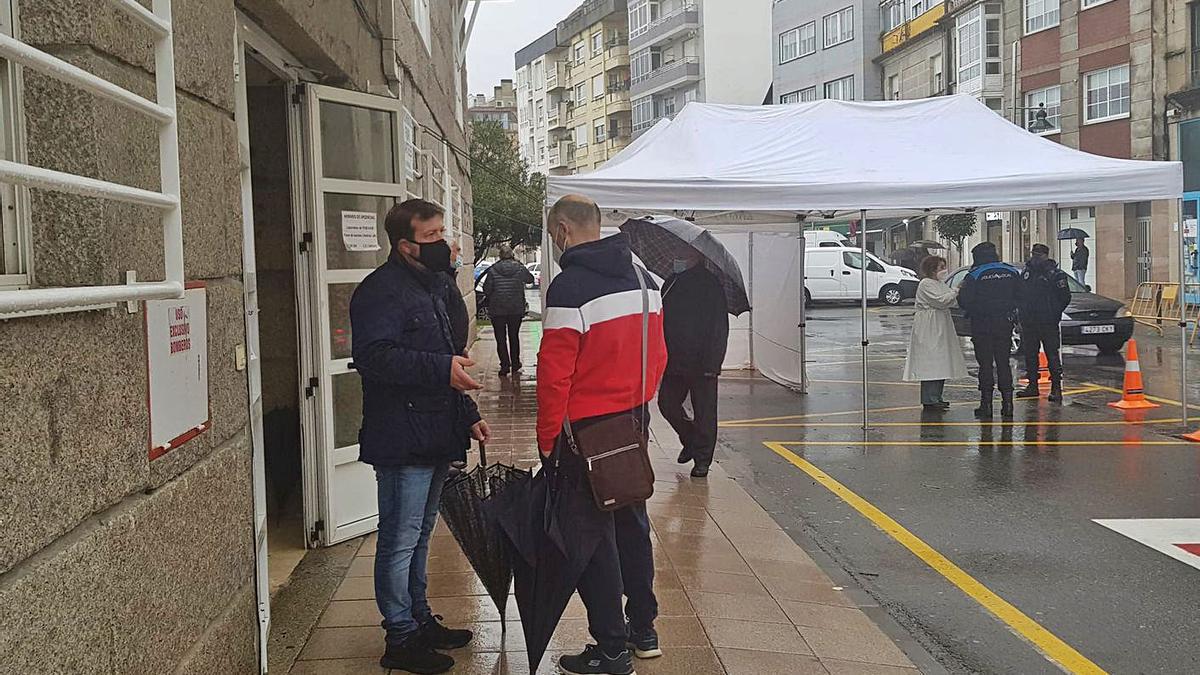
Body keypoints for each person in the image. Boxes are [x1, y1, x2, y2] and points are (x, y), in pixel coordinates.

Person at [350, 198, 491, 674]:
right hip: (401, 436)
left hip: (437, 430)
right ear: (405, 244)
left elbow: (450, 351)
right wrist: (442, 370)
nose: (443, 245)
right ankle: (401, 636)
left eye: (442, 234)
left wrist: (467, 412)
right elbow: (374, 357)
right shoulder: (379, 291)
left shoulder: (435, 284)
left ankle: (420, 618)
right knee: (399, 538)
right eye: (431, 238)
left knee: (422, 534)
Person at [538, 194, 667, 675]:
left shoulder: (569, 287)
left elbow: (555, 374)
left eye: (554, 235)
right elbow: (659, 352)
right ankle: (643, 629)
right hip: (631, 419)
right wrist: (638, 402)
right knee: (632, 521)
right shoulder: (643, 278)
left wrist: (548, 439)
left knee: (592, 536)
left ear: (563, 232)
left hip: (584, 430)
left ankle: (611, 648)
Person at [658, 247, 728, 478]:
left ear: (697, 256)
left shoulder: (710, 284)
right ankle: (689, 438)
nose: (676, 259)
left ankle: (702, 459)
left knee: (705, 412)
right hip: (674, 359)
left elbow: (719, 325)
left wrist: (714, 362)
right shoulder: (671, 282)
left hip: (702, 361)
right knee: (667, 404)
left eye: (683, 255)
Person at [957, 241, 1021, 420]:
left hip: (982, 324)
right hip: (1004, 323)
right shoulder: (1011, 272)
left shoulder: (975, 275)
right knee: (1003, 362)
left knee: (985, 364)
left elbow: (964, 300)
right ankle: (1008, 404)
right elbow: (1021, 296)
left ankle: (986, 405)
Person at [902, 256, 967, 409]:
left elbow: (950, 300)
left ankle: (937, 396)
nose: (944, 270)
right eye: (941, 267)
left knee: (942, 361)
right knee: (931, 362)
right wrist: (956, 290)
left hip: (940, 322)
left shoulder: (939, 283)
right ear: (932, 270)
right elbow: (941, 300)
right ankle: (930, 399)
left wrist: (954, 294)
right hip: (929, 325)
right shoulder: (926, 284)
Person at [1017, 243, 1072, 403]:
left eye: (1039, 255)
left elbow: (1065, 297)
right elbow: (1020, 293)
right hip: (1029, 321)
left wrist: (1053, 312)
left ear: (1046, 255)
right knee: (1030, 354)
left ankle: (1056, 388)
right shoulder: (1027, 272)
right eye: (1034, 254)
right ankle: (1032, 385)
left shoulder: (1055, 274)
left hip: (1048, 321)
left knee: (1052, 354)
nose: (1035, 258)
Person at [482, 244, 534, 376]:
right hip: (515, 308)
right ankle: (515, 363)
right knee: (514, 336)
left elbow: (487, 289)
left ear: (500, 256)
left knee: (500, 338)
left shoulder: (493, 269)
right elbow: (530, 279)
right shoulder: (519, 268)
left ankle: (504, 366)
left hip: (497, 309)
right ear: (512, 255)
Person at [445, 240, 469, 356]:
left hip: (456, 349)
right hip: (450, 352)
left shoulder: (449, 277)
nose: (460, 255)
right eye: (457, 250)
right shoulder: (442, 280)